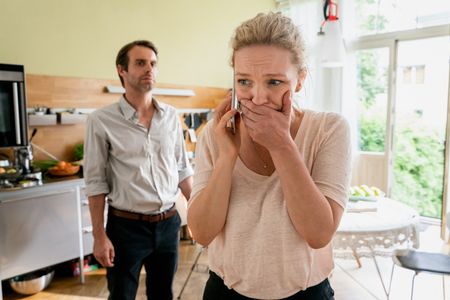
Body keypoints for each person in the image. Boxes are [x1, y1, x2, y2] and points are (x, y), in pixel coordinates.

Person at [187, 12, 352, 300]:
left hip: (307, 292)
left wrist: (282, 145)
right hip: (226, 291)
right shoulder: (215, 136)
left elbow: (318, 234)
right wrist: (227, 157)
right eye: (244, 82)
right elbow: (201, 233)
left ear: (299, 80)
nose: (258, 97)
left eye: (274, 82)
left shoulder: (329, 130)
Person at [84, 40, 193, 300]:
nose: (149, 69)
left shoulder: (170, 117)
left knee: (162, 294)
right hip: (126, 228)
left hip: (168, 224)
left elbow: (182, 170)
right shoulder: (101, 121)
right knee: (121, 295)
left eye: (153, 64)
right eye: (141, 63)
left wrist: (200, 214)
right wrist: (100, 236)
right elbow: (96, 183)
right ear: (121, 70)